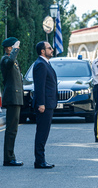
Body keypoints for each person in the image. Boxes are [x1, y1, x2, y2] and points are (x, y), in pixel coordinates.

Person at [33, 41, 58, 169]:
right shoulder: (40, 65)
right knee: (42, 133)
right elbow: (40, 86)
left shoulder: (45, 63)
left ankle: (40, 159)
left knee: (44, 133)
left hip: (49, 103)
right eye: (49, 48)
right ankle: (39, 161)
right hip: (45, 105)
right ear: (43, 51)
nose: (52, 50)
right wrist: (41, 103)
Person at [0, 37, 24, 166]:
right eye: (15, 47)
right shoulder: (5, 59)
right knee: (11, 129)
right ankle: (9, 158)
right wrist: (15, 51)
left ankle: (10, 156)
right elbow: (9, 63)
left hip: (16, 98)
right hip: (12, 98)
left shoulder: (12, 60)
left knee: (13, 129)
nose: (18, 49)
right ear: (9, 48)